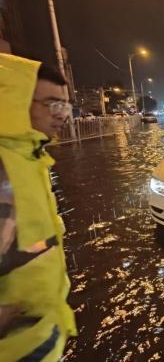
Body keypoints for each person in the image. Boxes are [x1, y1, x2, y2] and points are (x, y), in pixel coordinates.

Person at [0, 53, 76, 361]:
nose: (63, 116)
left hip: (40, 335)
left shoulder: (32, 160)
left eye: (65, 105)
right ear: (16, 103)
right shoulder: (4, 166)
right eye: (53, 104)